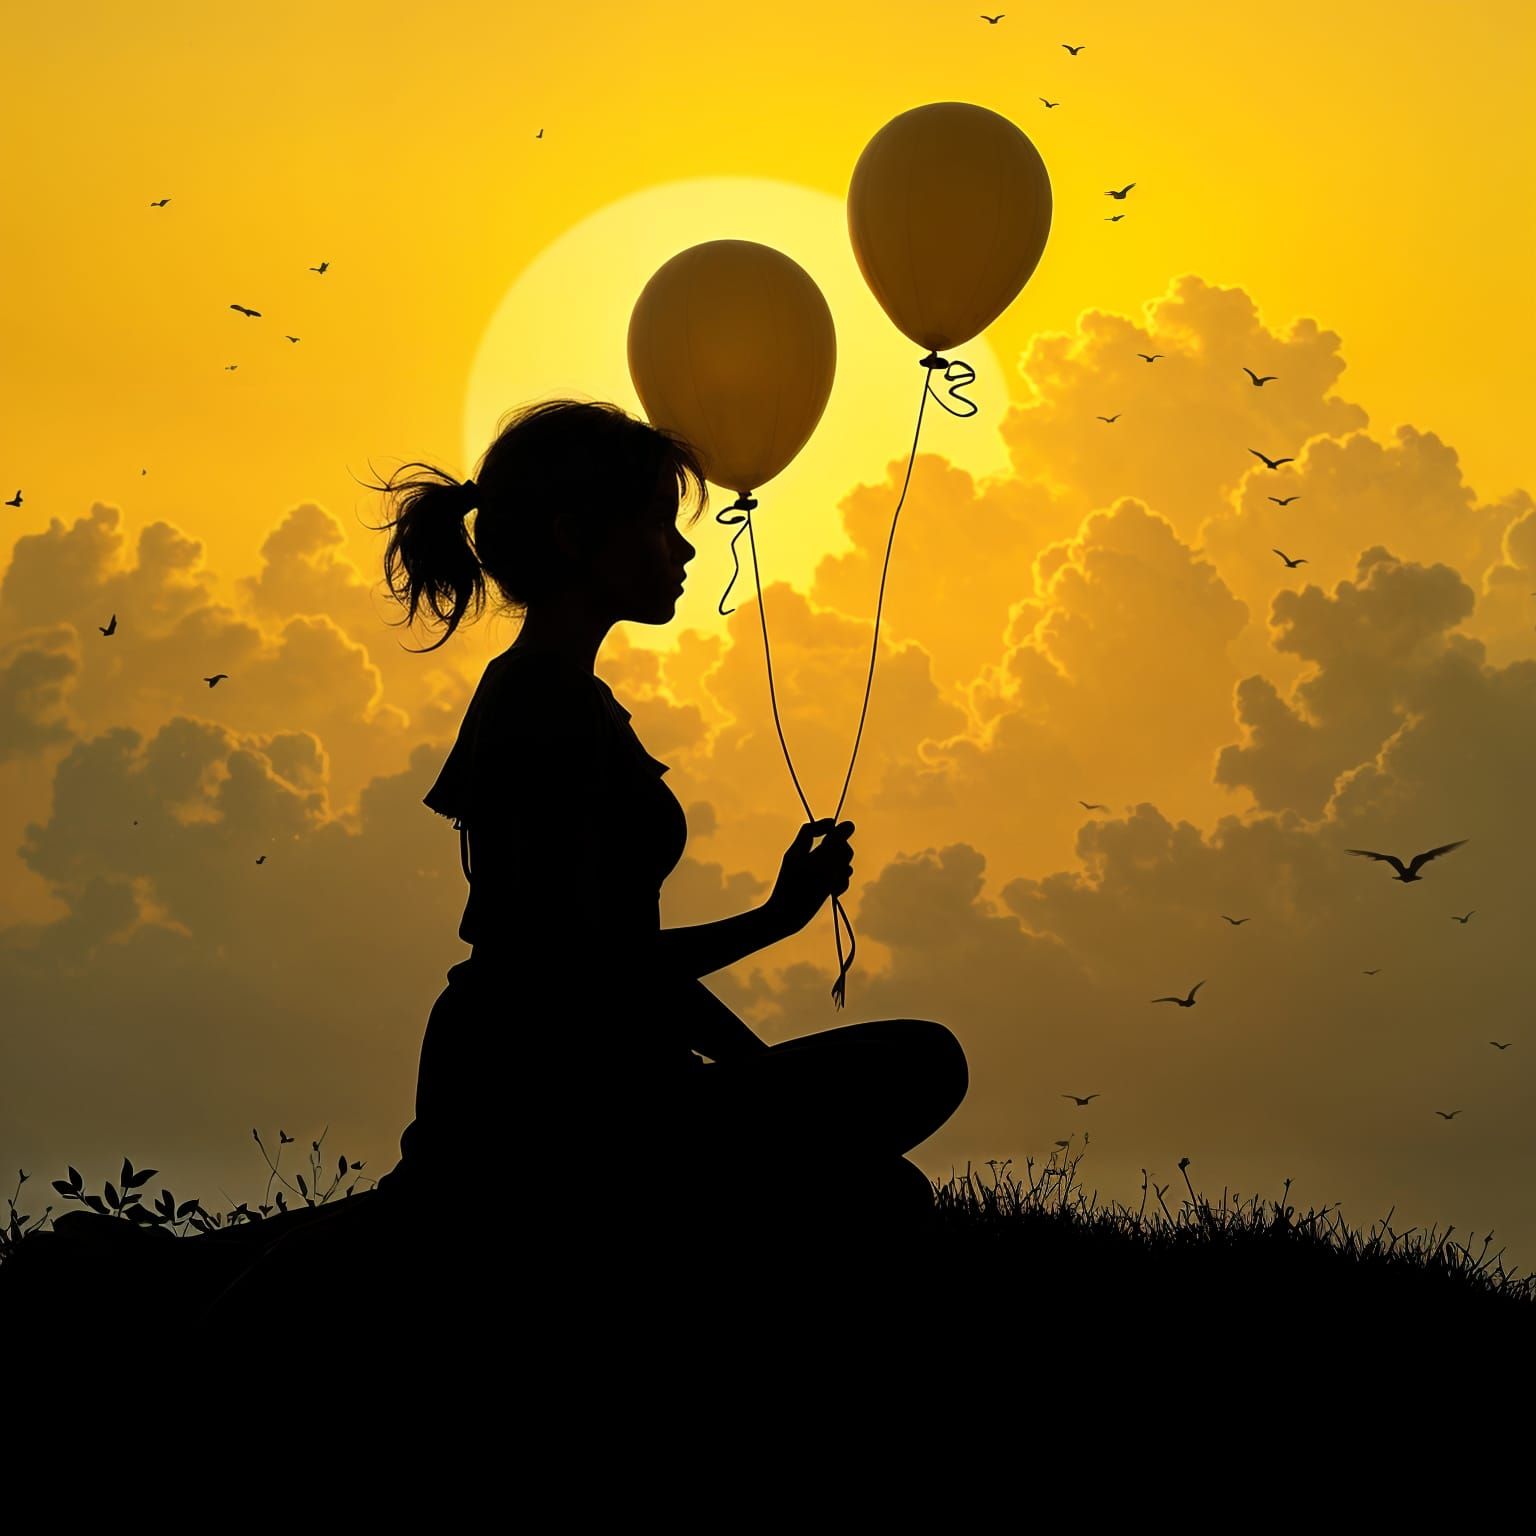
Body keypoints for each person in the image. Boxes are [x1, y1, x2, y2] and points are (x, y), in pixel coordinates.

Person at [197, 400, 968, 1332]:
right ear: (575, 537)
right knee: (921, 1071)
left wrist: (761, 1080)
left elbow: (621, 957)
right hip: (545, 1092)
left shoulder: (565, 698)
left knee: (882, 1190)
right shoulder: (542, 706)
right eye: (656, 524)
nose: (683, 551)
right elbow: (582, 964)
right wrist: (773, 926)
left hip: (601, 1070)